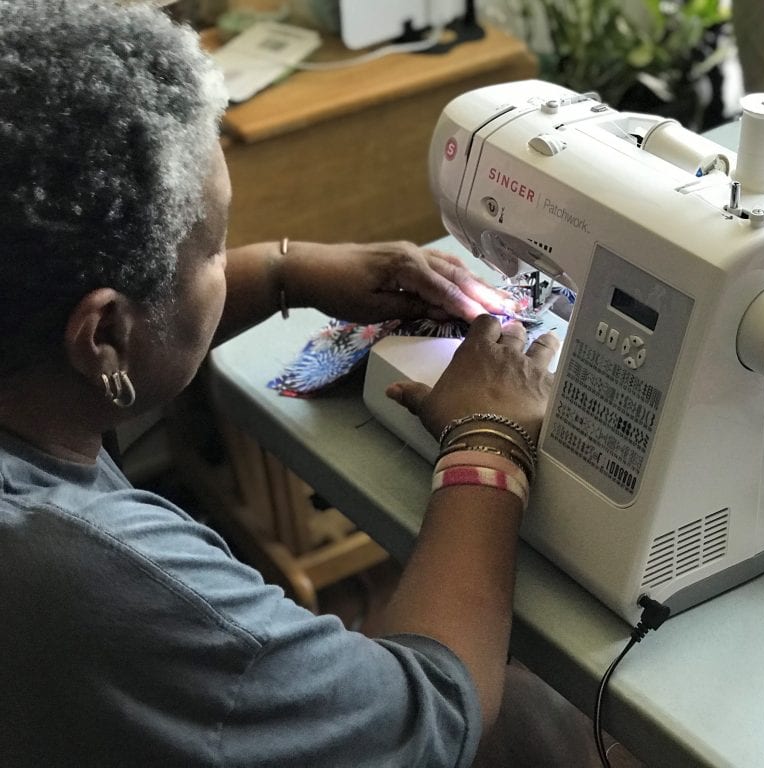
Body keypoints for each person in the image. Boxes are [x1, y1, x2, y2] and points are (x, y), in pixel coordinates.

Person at [0, 1, 581, 765]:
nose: (226, 261)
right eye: (214, 247)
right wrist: (489, 443)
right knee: (546, 712)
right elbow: (433, 713)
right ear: (103, 336)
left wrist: (282, 270)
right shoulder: (91, 575)